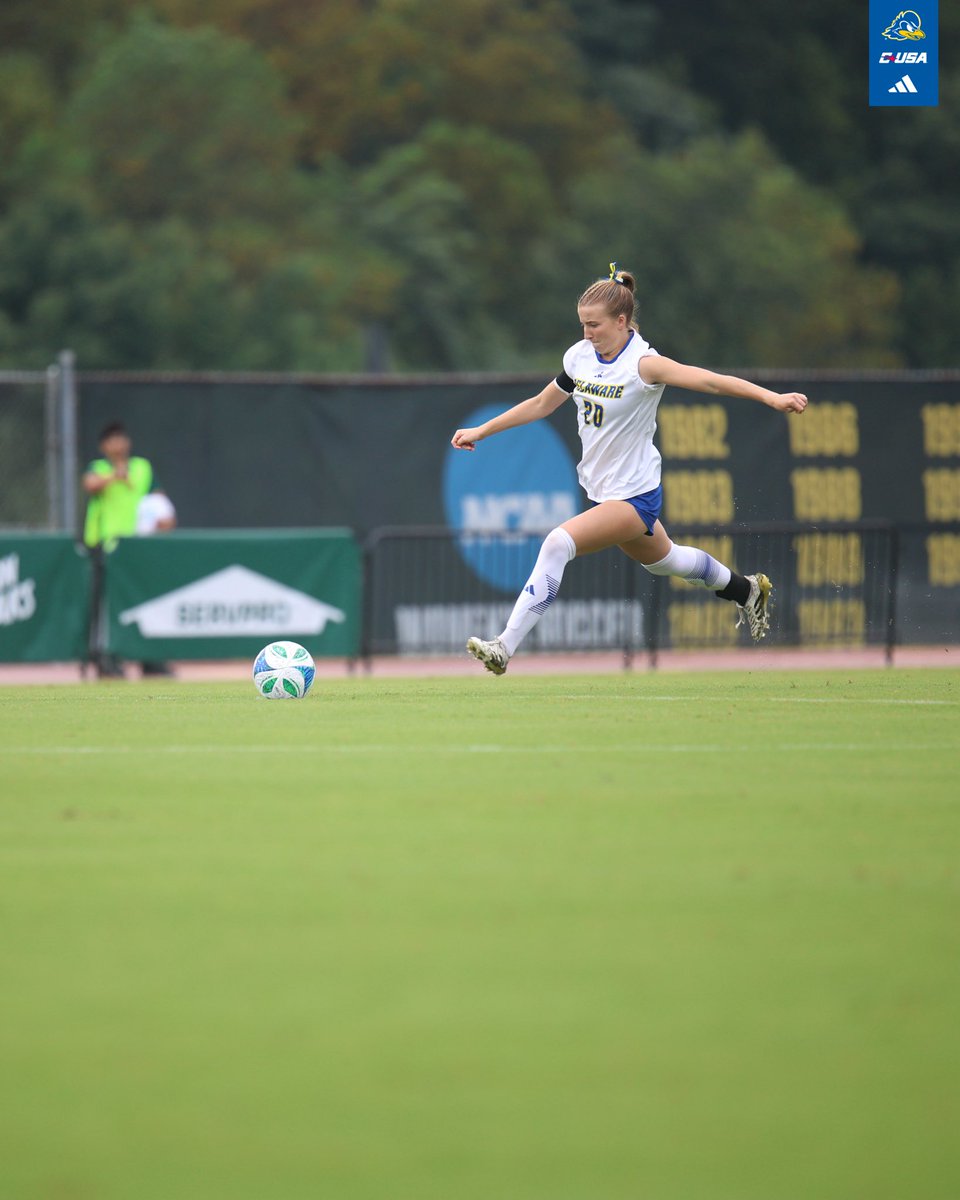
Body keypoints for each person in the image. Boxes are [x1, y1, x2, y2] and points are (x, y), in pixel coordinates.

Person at [451, 263, 808, 675]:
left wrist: (772, 399)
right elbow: (540, 404)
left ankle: (504, 647)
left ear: (622, 321)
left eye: (595, 325)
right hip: (605, 490)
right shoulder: (579, 357)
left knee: (556, 544)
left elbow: (708, 380)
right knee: (667, 560)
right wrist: (483, 429)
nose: (587, 333)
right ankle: (748, 591)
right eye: (583, 324)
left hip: (634, 495)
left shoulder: (644, 364)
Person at [82, 421, 175, 678]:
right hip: (107, 546)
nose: (118, 444)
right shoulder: (99, 468)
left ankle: (149, 658)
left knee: (144, 601)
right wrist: (115, 476)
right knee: (107, 605)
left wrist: (165, 519)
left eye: (121, 438)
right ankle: (106, 658)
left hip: (138, 547)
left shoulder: (142, 467)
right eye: (111, 439)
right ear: (104, 446)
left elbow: (159, 500)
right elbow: (90, 485)